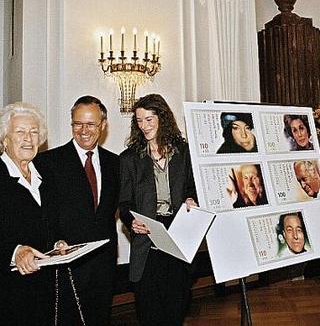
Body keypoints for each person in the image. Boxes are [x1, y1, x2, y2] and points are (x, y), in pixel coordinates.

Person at [34, 96, 119, 325]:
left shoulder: (115, 164)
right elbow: (42, 214)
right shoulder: (49, 162)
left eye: (90, 124)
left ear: (102, 125)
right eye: (77, 124)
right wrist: (55, 241)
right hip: (66, 266)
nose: (83, 130)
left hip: (104, 265)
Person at [118, 94, 198, 326]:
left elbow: (194, 187)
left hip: (179, 235)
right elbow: (124, 203)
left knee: (177, 305)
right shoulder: (129, 159)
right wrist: (130, 220)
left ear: (162, 118)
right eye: (139, 121)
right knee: (149, 308)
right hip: (147, 239)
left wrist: (192, 199)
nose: (144, 126)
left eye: (149, 119)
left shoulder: (184, 153)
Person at [0, 102, 57, 325]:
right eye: (20, 132)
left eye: (34, 132)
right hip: (2, 296)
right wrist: (14, 251)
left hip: (44, 293)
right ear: (4, 139)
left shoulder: (48, 177)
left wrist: (60, 242)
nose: (29, 138)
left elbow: (50, 224)